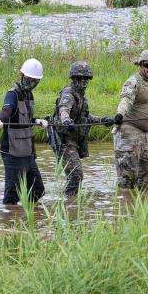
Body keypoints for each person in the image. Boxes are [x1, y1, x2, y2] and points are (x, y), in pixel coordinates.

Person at [50, 61, 114, 196]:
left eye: (86, 78)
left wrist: (102, 120)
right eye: (81, 78)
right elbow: (64, 109)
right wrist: (66, 120)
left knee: (76, 176)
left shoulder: (81, 96)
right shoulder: (69, 94)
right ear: (74, 79)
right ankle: (68, 203)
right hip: (64, 141)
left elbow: (85, 116)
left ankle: (70, 202)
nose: (84, 81)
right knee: (76, 176)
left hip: (73, 142)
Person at [0, 58, 48, 205]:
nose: (31, 83)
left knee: (38, 190)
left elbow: (26, 117)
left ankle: (29, 217)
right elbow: (7, 109)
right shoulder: (13, 94)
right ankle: (9, 221)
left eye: (34, 81)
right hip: (12, 153)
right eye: (29, 79)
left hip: (28, 152)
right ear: (22, 76)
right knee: (11, 196)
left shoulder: (29, 95)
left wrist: (37, 121)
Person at [112, 50, 148, 190]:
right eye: (147, 65)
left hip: (147, 133)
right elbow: (126, 100)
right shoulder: (133, 81)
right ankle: (124, 204)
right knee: (127, 176)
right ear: (141, 65)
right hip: (129, 131)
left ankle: (144, 207)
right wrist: (119, 114)